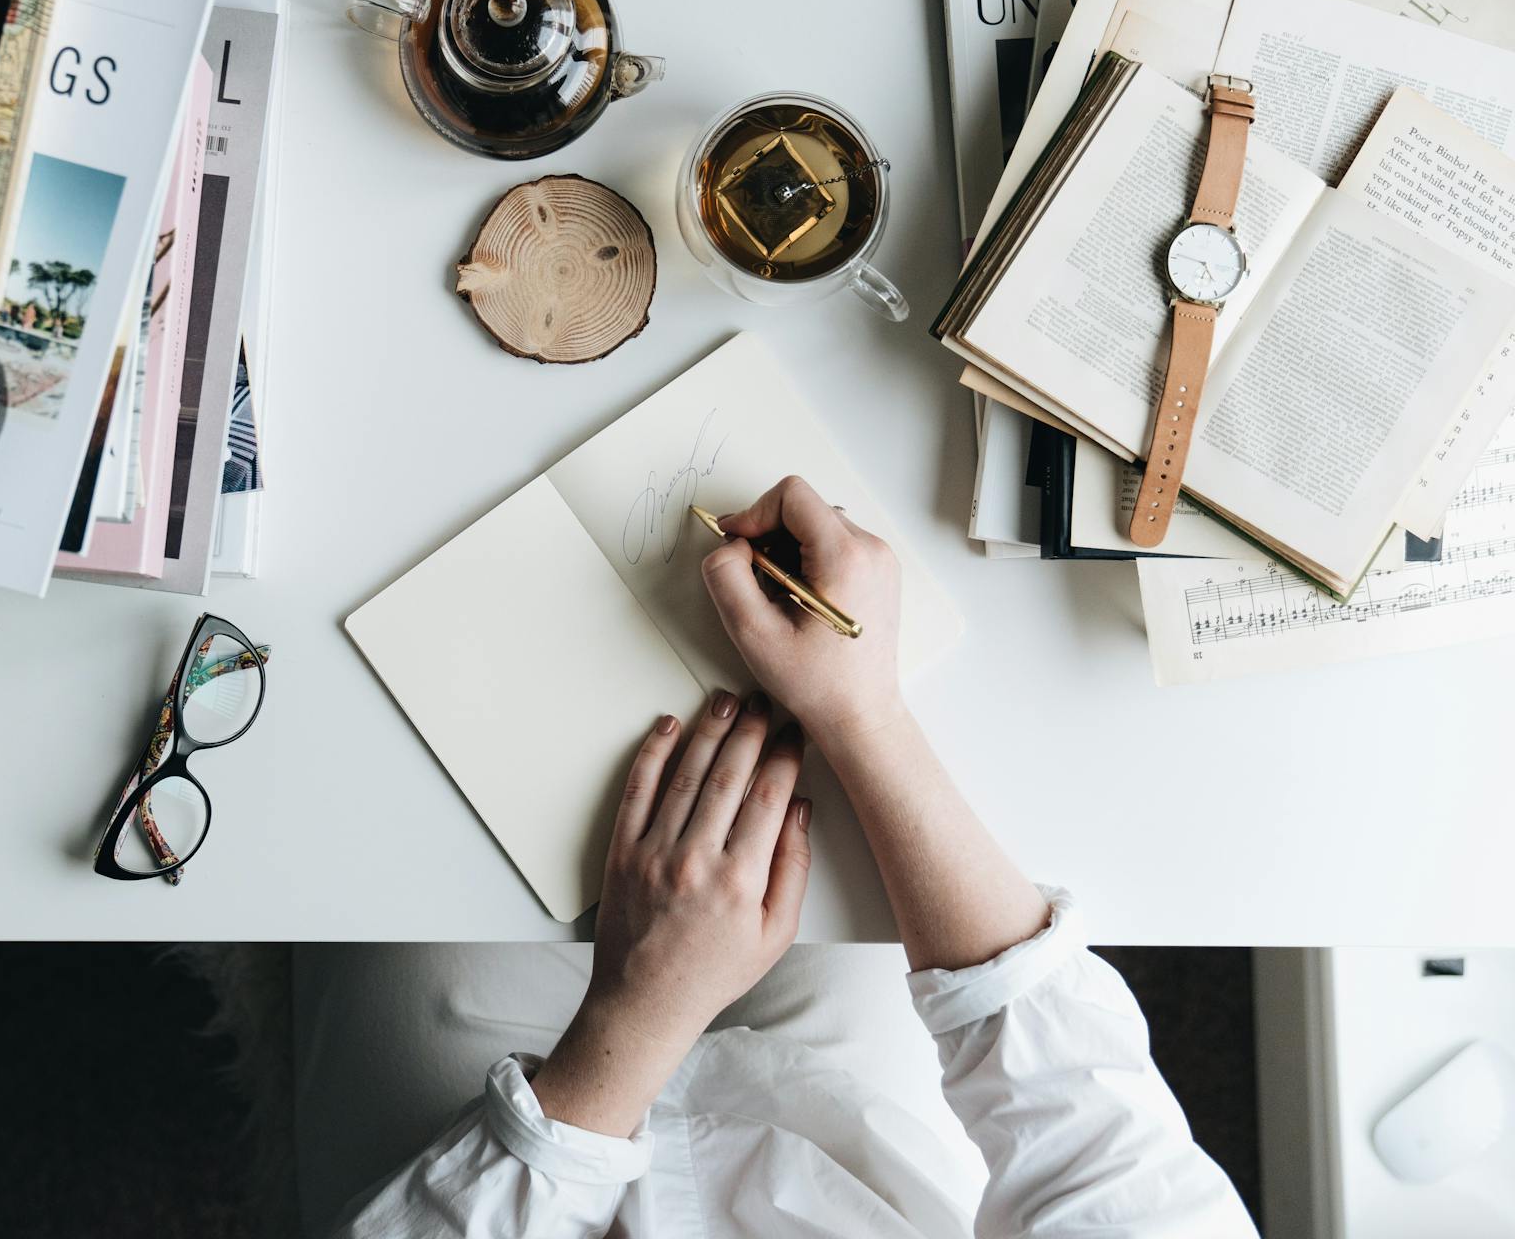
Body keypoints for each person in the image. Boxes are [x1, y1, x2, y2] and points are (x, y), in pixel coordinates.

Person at [302, 476, 1258, 1237]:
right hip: (840, 1137)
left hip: (508, 1147)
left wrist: (639, 1015)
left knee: (385, 862)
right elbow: (1093, 1131)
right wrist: (861, 712)